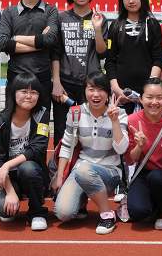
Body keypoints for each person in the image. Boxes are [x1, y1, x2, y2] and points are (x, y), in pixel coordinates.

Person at [53, 72, 129, 235]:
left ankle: (107, 215)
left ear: (108, 93)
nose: (95, 94)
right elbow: (67, 145)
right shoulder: (75, 113)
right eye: (91, 89)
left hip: (109, 172)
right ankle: (81, 201)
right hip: (81, 170)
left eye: (100, 89)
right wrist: (59, 177)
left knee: (83, 169)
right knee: (63, 213)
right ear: (85, 91)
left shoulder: (119, 113)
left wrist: (114, 121)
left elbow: (121, 149)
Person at [0, 0, 60, 125]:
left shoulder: (50, 10)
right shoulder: (9, 12)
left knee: (41, 126)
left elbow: (50, 39)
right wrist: (40, 43)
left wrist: (16, 38)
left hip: (42, 80)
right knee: (13, 126)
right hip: (15, 79)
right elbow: (2, 43)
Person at [0, 72, 50, 231]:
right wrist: (10, 191)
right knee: (5, 212)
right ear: (13, 93)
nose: (29, 96)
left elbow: (37, 149)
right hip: (5, 176)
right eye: (24, 91)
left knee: (28, 168)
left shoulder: (41, 114)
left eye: (34, 92)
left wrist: (8, 165)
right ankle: (16, 193)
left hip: (30, 172)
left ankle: (37, 212)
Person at [52, 0, 108, 142]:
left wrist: (97, 29)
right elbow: (55, 52)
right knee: (62, 130)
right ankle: (61, 160)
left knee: (89, 131)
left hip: (90, 85)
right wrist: (56, 82)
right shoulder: (61, 18)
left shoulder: (100, 18)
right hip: (65, 83)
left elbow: (102, 52)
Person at [125, 78, 162, 230]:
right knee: (138, 212)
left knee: (157, 177)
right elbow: (130, 160)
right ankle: (153, 204)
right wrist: (139, 147)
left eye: (159, 97)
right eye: (149, 97)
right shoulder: (131, 120)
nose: (154, 102)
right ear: (141, 99)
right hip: (144, 173)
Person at [105, 0, 162, 114]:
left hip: (147, 95)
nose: (131, 1)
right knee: (121, 126)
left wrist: (149, 88)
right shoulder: (115, 26)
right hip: (121, 93)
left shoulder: (152, 24)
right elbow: (110, 61)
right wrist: (116, 89)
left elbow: (158, 58)